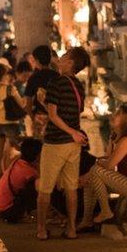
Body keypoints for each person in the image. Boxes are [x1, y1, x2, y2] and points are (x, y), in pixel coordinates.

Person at [36, 46, 90, 240]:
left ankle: (41, 229)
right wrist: (74, 133)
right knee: (71, 189)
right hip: (73, 146)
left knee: (45, 188)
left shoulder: (56, 83)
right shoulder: (79, 86)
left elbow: (53, 114)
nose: (60, 57)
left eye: (65, 56)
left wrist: (71, 132)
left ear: (70, 62)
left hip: (55, 142)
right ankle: (72, 229)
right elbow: (76, 110)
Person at [77, 105, 127, 229]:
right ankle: (86, 220)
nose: (114, 115)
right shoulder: (116, 137)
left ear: (125, 120)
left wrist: (97, 163)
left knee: (95, 170)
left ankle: (106, 211)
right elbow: (107, 158)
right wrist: (110, 142)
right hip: (122, 180)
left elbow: (109, 165)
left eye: (118, 114)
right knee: (91, 180)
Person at [0, 137, 42, 223]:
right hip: (8, 212)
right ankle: (25, 214)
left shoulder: (18, 162)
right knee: (36, 184)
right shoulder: (28, 171)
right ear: (37, 156)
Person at [24, 45, 60, 139]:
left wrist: (33, 118)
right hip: (57, 119)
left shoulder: (33, 78)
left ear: (37, 61)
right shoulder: (57, 76)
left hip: (40, 119)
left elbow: (27, 105)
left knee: (40, 150)